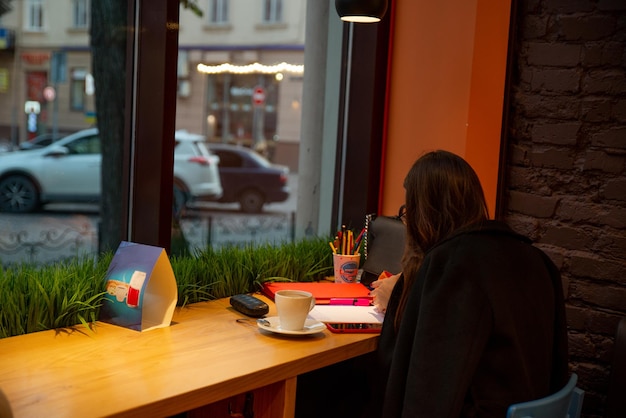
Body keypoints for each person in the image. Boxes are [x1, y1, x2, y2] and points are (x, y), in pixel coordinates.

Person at [365, 150, 569, 418]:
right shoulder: (537, 260)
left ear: (424, 213)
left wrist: (403, 297)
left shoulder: (452, 267)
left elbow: (427, 392)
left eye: (407, 212)